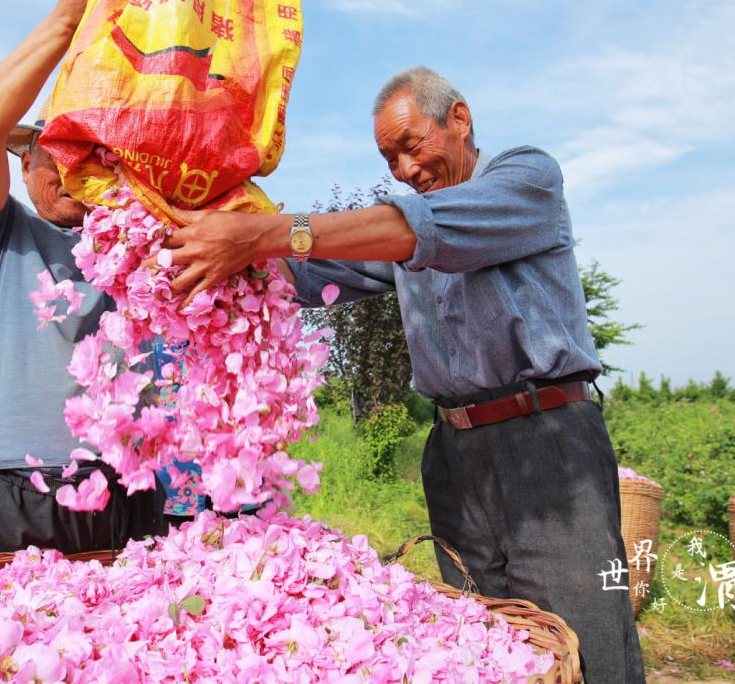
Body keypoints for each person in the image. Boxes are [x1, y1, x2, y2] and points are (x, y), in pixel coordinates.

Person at [163, 66, 645, 683]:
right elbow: (307, 277)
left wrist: (266, 233)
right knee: (485, 636)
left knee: (583, 633)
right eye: (390, 158)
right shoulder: (399, 237)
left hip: (546, 438)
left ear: (459, 120)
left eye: (412, 145)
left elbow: (420, 232)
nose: (406, 169)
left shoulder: (526, 177)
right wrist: (212, 237)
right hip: (454, 451)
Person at [0, 0, 165, 554]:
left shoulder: (140, 234)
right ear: (26, 167)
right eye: (56, 153)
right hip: (17, 484)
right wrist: (66, 21)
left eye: (91, 153)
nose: (74, 170)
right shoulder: (4, 233)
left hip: (129, 482)